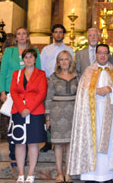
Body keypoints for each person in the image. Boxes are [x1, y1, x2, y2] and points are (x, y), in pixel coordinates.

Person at [68, 44, 113, 182]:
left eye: (105, 53)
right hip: (91, 115)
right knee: (93, 141)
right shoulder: (88, 71)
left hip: (110, 114)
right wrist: (96, 91)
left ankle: (108, 175)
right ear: (95, 54)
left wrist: (110, 90)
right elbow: (81, 93)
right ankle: (90, 174)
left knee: (108, 143)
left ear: (108, 55)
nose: (102, 55)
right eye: (100, 52)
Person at [0, 27, 41, 168]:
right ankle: (13, 156)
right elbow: (3, 71)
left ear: (28, 36)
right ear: (16, 37)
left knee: (29, 126)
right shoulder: (9, 51)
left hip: (30, 94)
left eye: (24, 34)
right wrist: (2, 91)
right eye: (19, 34)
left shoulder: (34, 51)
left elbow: (39, 70)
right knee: (13, 125)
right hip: (13, 93)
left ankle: (28, 156)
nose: (22, 36)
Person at [8, 48, 47, 183]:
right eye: (26, 57)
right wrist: (22, 108)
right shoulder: (16, 74)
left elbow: (42, 93)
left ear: (35, 59)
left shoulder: (41, 74)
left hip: (35, 111)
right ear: (23, 59)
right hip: (18, 111)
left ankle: (30, 173)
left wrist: (28, 109)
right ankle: (20, 173)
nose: (29, 59)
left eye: (31, 57)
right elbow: (13, 92)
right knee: (19, 143)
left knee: (33, 143)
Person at [46, 50, 79, 183]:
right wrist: (47, 117)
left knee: (70, 144)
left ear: (70, 61)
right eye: (62, 59)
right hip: (57, 113)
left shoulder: (77, 76)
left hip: (73, 112)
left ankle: (68, 173)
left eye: (66, 59)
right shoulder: (53, 77)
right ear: (58, 62)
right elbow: (48, 97)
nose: (64, 62)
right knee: (58, 145)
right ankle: (59, 173)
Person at [40, 24, 74, 152]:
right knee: (49, 111)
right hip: (50, 81)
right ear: (52, 34)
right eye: (56, 32)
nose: (58, 34)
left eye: (61, 32)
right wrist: (45, 81)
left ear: (64, 34)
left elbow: (72, 66)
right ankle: (48, 141)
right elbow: (42, 67)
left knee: (64, 113)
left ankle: (66, 140)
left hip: (64, 81)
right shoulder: (46, 49)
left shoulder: (69, 49)